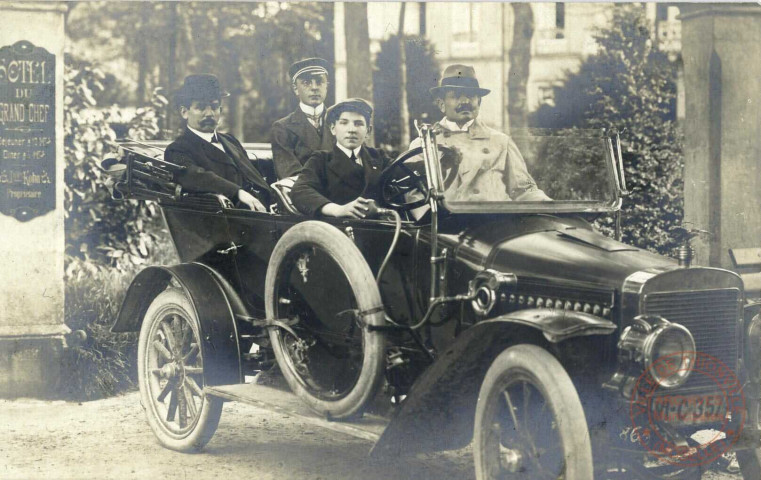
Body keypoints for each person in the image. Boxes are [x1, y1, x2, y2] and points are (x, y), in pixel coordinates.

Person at [411, 64, 549, 202]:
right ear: (441, 104)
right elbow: (412, 193)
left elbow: (524, 190)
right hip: (448, 222)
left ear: (479, 102)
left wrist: (549, 207)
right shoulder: (424, 145)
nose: (465, 101)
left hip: (498, 220)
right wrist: (432, 219)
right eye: (457, 96)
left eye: (471, 96)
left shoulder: (500, 142)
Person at [165, 74, 273, 212]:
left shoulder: (230, 141)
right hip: (226, 220)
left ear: (220, 110)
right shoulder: (177, 149)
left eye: (214, 107)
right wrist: (238, 192)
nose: (209, 113)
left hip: (262, 211)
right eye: (201, 107)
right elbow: (197, 177)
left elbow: (252, 174)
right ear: (184, 112)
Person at [291, 98, 389, 218]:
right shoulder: (321, 160)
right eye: (344, 123)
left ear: (368, 131)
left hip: (382, 227)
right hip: (339, 229)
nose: (351, 130)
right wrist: (337, 209)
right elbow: (300, 191)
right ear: (333, 128)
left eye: (358, 124)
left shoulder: (378, 157)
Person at [270, 57, 335, 180]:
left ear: (327, 86)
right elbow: (290, 174)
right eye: (306, 83)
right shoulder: (282, 128)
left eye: (320, 82)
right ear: (295, 89)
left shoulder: (340, 123)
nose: (314, 87)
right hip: (305, 194)